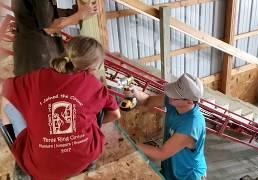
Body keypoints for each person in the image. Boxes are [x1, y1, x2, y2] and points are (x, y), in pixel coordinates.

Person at [0, 36, 121, 179]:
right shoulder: (95, 85)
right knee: (97, 109)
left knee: (4, 101)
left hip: (38, 166)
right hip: (83, 160)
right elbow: (115, 115)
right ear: (92, 68)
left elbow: (4, 89)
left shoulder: (36, 78)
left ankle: (18, 154)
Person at [128, 73, 207, 180]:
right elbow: (148, 100)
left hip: (188, 175)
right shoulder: (173, 101)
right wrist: (135, 93)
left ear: (189, 101)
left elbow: (162, 153)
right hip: (172, 168)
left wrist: (132, 144)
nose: (170, 95)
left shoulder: (191, 125)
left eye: (175, 95)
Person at [11, 0, 97, 76]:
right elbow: (50, 28)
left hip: (32, 48)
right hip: (37, 55)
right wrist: (80, 14)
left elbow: (45, 14)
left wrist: (75, 13)